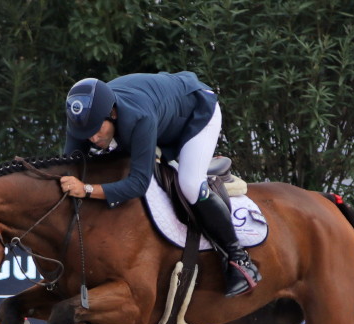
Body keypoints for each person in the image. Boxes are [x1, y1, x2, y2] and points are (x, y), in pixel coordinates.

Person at [59, 72, 261, 297]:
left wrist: (86, 189)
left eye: (97, 130)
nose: (93, 138)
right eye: (86, 134)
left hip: (196, 112)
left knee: (190, 184)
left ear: (112, 113)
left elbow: (138, 184)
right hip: (162, 114)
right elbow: (69, 167)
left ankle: (239, 259)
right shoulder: (83, 122)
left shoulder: (139, 117)